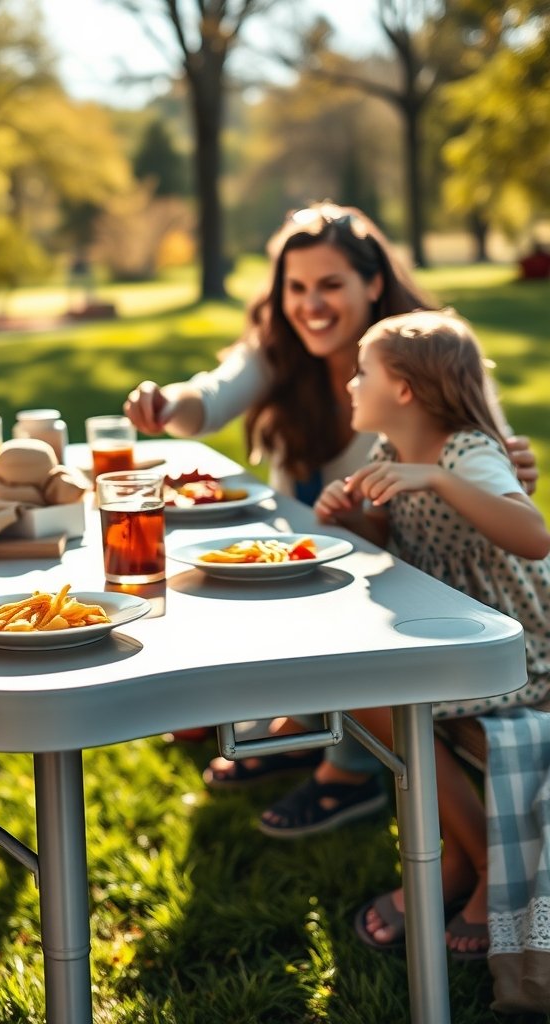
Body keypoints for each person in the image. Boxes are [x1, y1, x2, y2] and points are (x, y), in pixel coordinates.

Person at [123, 202, 539, 836]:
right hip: (335, 555)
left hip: (432, 591)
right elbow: (206, 398)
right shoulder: (280, 353)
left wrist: (495, 475)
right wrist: (164, 403)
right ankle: (304, 723)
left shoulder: (421, 359)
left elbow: (485, 455)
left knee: (359, 641)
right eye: (296, 288)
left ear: (373, 284)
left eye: (330, 285)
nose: (309, 305)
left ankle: (348, 768)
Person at [313, 308, 550, 959]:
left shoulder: (468, 453)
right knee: (364, 690)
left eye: (363, 372)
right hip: (454, 637)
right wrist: (353, 519)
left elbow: (534, 536)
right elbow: (398, 539)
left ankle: (483, 862)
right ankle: (464, 858)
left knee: (374, 697)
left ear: (404, 389)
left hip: (515, 653)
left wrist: (440, 478)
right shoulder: (390, 452)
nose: (352, 384)